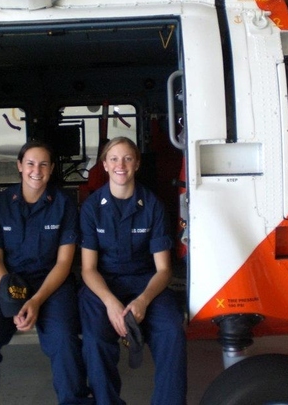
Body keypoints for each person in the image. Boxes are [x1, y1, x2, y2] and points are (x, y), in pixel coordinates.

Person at [0, 141, 92, 405]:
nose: (37, 170)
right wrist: (14, 299)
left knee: (64, 340)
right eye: (30, 163)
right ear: (20, 166)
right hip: (8, 282)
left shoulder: (64, 204)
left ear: (52, 168)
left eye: (44, 164)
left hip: (52, 284)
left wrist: (35, 301)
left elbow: (64, 263)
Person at [77, 136, 187, 405]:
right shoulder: (91, 208)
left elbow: (164, 270)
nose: (120, 165)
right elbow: (88, 269)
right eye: (114, 158)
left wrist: (143, 300)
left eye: (127, 158)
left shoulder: (153, 206)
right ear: (104, 165)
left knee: (172, 331)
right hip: (104, 285)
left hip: (146, 283)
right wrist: (112, 303)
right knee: (94, 340)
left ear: (137, 164)